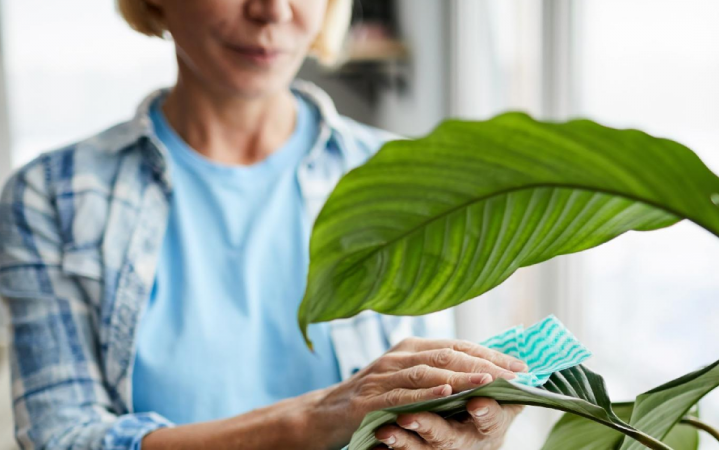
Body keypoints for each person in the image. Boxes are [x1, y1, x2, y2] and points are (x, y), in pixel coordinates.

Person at [0, 1, 527, 449]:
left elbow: (422, 397)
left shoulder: (407, 178)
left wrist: (455, 423)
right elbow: (62, 436)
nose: (272, 11)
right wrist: (313, 419)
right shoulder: (53, 195)